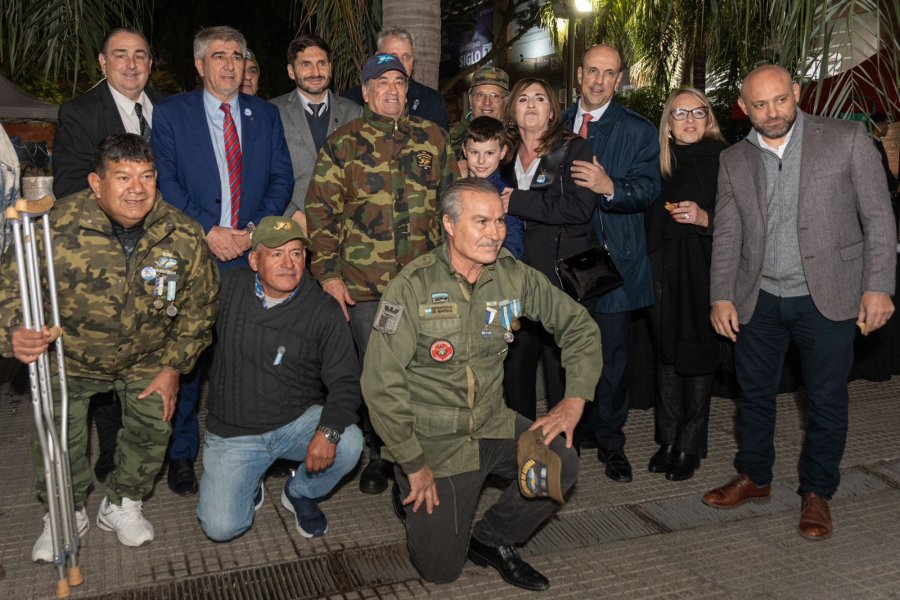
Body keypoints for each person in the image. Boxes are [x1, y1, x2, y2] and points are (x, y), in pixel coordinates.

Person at [360, 178, 601, 590]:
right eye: (482, 221)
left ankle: (493, 538)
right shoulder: (413, 286)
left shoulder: (512, 277)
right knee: (440, 571)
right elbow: (381, 384)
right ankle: (408, 485)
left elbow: (578, 325)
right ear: (449, 225)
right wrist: (412, 463)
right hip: (437, 441)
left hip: (491, 424)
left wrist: (574, 399)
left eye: (501, 221)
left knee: (560, 459)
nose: (495, 233)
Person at [0, 134, 218, 558]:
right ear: (96, 184)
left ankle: (122, 503)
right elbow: (9, 291)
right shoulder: (53, 227)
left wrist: (174, 367)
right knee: (57, 435)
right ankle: (66, 511)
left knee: (153, 425)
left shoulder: (182, 234)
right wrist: (14, 334)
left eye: (146, 176)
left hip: (147, 355)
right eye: (122, 177)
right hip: (70, 356)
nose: (137, 188)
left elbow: (200, 307)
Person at [704, 65, 896, 541]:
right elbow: (727, 234)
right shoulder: (733, 159)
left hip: (828, 294)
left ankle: (817, 491)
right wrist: (721, 295)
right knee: (753, 396)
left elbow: (878, 216)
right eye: (760, 105)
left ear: (796, 93)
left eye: (780, 101)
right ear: (745, 109)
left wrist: (879, 286)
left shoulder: (847, 138)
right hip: (759, 297)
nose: (773, 113)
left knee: (827, 399)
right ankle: (755, 476)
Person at [151, 25, 294, 496]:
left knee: (244, 360)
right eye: (219, 56)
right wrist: (208, 231)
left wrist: (250, 232)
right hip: (195, 255)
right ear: (200, 65)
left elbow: (281, 179)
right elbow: (165, 183)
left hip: (248, 256)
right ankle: (181, 456)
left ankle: (245, 450)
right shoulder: (171, 114)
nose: (230, 64)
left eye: (237, 55)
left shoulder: (264, 114)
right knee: (190, 360)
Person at [306, 53, 457, 496]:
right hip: (365, 286)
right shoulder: (344, 143)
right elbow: (320, 213)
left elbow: (452, 206)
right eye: (382, 82)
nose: (392, 89)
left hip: (423, 283)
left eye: (399, 81)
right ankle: (380, 454)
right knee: (379, 377)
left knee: (424, 370)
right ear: (367, 92)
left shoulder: (432, 138)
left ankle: (416, 456)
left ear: (408, 90)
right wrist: (328, 275)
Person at [197, 216, 363, 541]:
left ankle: (300, 490)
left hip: (294, 422)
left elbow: (346, 381)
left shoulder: (322, 309)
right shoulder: (225, 289)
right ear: (254, 260)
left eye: (297, 253)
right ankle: (250, 477)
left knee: (349, 442)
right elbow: (182, 321)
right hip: (235, 432)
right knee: (221, 527)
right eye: (276, 254)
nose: (289, 264)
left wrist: (327, 433)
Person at [52, 28, 168, 482]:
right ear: (103, 63)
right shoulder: (80, 113)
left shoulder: (172, 107)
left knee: (156, 342)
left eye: (140, 55)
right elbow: (68, 185)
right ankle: (112, 441)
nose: (131, 64)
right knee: (109, 346)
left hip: (161, 246)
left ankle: (159, 447)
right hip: (105, 252)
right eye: (120, 56)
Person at [563, 44, 661, 483]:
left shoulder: (639, 131)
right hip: (563, 262)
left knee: (613, 358)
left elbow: (647, 190)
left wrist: (609, 186)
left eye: (609, 73)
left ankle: (611, 441)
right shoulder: (555, 123)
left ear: (619, 79)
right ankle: (574, 432)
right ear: (579, 74)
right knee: (568, 352)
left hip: (614, 265)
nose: (599, 80)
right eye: (593, 71)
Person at [498, 77, 596, 420]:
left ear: (552, 109)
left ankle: (563, 455)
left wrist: (519, 202)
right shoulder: (504, 153)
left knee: (559, 373)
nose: (531, 105)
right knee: (515, 371)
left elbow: (580, 208)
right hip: (514, 279)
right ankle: (518, 449)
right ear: (513, 109)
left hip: (559, 280)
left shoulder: (572, 148)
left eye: (540, 98)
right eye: (523, 98)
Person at [644, 88, 727, 481]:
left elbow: (748, 222)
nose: (690, 120)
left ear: (708, 118)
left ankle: (690, 444)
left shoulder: (725, 160)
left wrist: (704, 218)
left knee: (697, 354)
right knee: (666, 354)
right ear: (669, 123)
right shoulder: (656, 163)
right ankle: (666, 439)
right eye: (680, 113)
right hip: (661, 268)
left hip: (706, 269)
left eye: (698, 112)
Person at [271, 34, 362, 234]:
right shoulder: (272, 113)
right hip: (291, 231)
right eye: (306, 65)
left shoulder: (354, 112)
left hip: (347, 231)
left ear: (330, 67)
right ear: (291, 71)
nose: (315, 72)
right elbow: (264, 175)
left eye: (321, 63)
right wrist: (294, 217)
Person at [342, 26, 448, 130]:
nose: (400, 63)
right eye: (393, 56)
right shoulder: (350, 101)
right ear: (377, 57)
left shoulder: (432, 102)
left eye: (406, 57)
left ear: (413, 61)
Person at [461, 116, 523, 260]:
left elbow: (514, 247)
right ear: (465, 151)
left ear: (502, 152)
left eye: (489, 153)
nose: (481, 160)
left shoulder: (504, 194)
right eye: (474, 152)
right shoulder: (456, 187)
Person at [449, 66, 510, 161]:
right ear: (470, 99)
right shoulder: (449, 139)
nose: (487, 102)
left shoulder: (517, 140)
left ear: (506, 101)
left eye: (495, 96)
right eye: (480, 95)